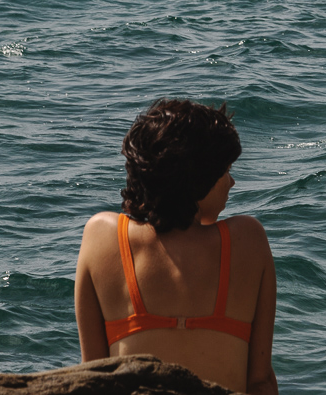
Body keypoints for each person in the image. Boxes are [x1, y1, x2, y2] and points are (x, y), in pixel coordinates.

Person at [74, 100, 277, 395]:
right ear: (199, 178)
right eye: (224, 170)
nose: (232, 182)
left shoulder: (103, 237)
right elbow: (260, 382)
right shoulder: (248, 240)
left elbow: (90, 377)